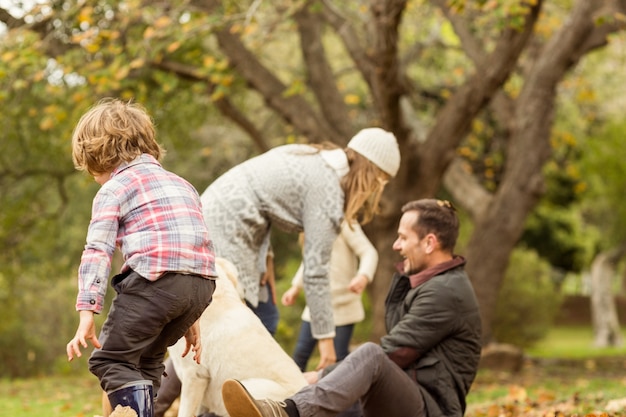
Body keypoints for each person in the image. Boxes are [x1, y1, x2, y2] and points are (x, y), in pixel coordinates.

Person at [221, 198, 483, 417]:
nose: (396, 245)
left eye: (403, 238)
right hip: (410, 395)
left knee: (369, 356)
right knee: (337, 396)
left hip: (432, 409)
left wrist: (321, 374)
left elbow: (394, 352)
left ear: (429, 243)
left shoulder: (445, 292)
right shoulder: (431, 284)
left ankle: (287, 413)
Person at [201, 127, 401, 370]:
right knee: (241, 327)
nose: (375, 191)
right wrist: (326, 339)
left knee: (258, 319)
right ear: (370, 172)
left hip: (223, 221)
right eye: (379, 181)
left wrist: (265, 261)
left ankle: (209, 395)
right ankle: (223, 403)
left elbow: (260, 196)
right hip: (224, 230)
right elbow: (316, 271)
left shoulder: (315, 159)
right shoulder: (328, 191)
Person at [65, 98, 217, 417]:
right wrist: (191, 319)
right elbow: (195, 247)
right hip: (200, 288)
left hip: (154, 284)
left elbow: (98, 250)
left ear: (97, 155)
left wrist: (86, 311)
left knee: (111, 360)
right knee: (146, 362)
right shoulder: (183, 185)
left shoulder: (114, 188)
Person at [282, 220, 378, 371]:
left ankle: (340, 392)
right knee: (300, 355)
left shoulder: (345, 224)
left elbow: (368, 252)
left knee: (338, 360)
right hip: (316, 307)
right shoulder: (311, 223)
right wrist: (296, 286)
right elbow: (309, 261)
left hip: (343, 306)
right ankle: (292, 393)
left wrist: (363, 276)